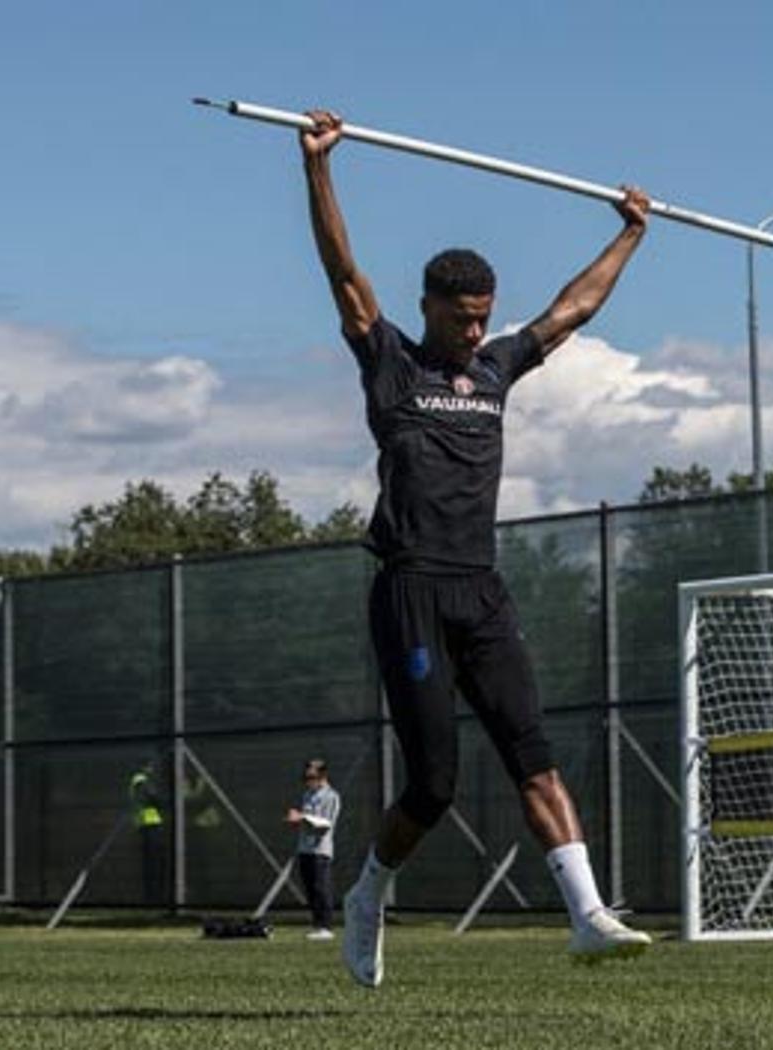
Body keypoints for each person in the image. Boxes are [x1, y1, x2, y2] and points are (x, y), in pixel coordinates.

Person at [298, 108, 652, 986]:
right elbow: (343, 273)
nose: (470, 331)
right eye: (459, 318)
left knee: (532, 753)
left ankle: (587, 915)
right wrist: (318, 169)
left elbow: (573, 310)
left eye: (481, 318)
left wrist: (631, 234)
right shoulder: (391, 364)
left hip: (482, 590)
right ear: (428, 308)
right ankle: (369, 892)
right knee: (434, 787)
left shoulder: (495, 368)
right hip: (411, 590)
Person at [286, 758, 342, 940]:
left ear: (322, 776)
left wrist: (301, 817)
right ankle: (317, 925)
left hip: (321, 849)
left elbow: (326, 823)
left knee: (321, 887)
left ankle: (326, 927)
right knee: (310, 888)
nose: (308, 780)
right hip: (305, 848)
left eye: (312, 776)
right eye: (307, 776)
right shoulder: (307, 795)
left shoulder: (331, 796)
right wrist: (297, 820)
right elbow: (308, 821)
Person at [128, 758, 165, 907]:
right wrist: (160, 799)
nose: (153, 770)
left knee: (154, 862)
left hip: (149, 824)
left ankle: (154, 896)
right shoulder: (140, 780)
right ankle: (153, 898)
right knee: (152, 863)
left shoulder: (141, 781)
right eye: (151, 767)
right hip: (149, 824)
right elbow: (152, 798)